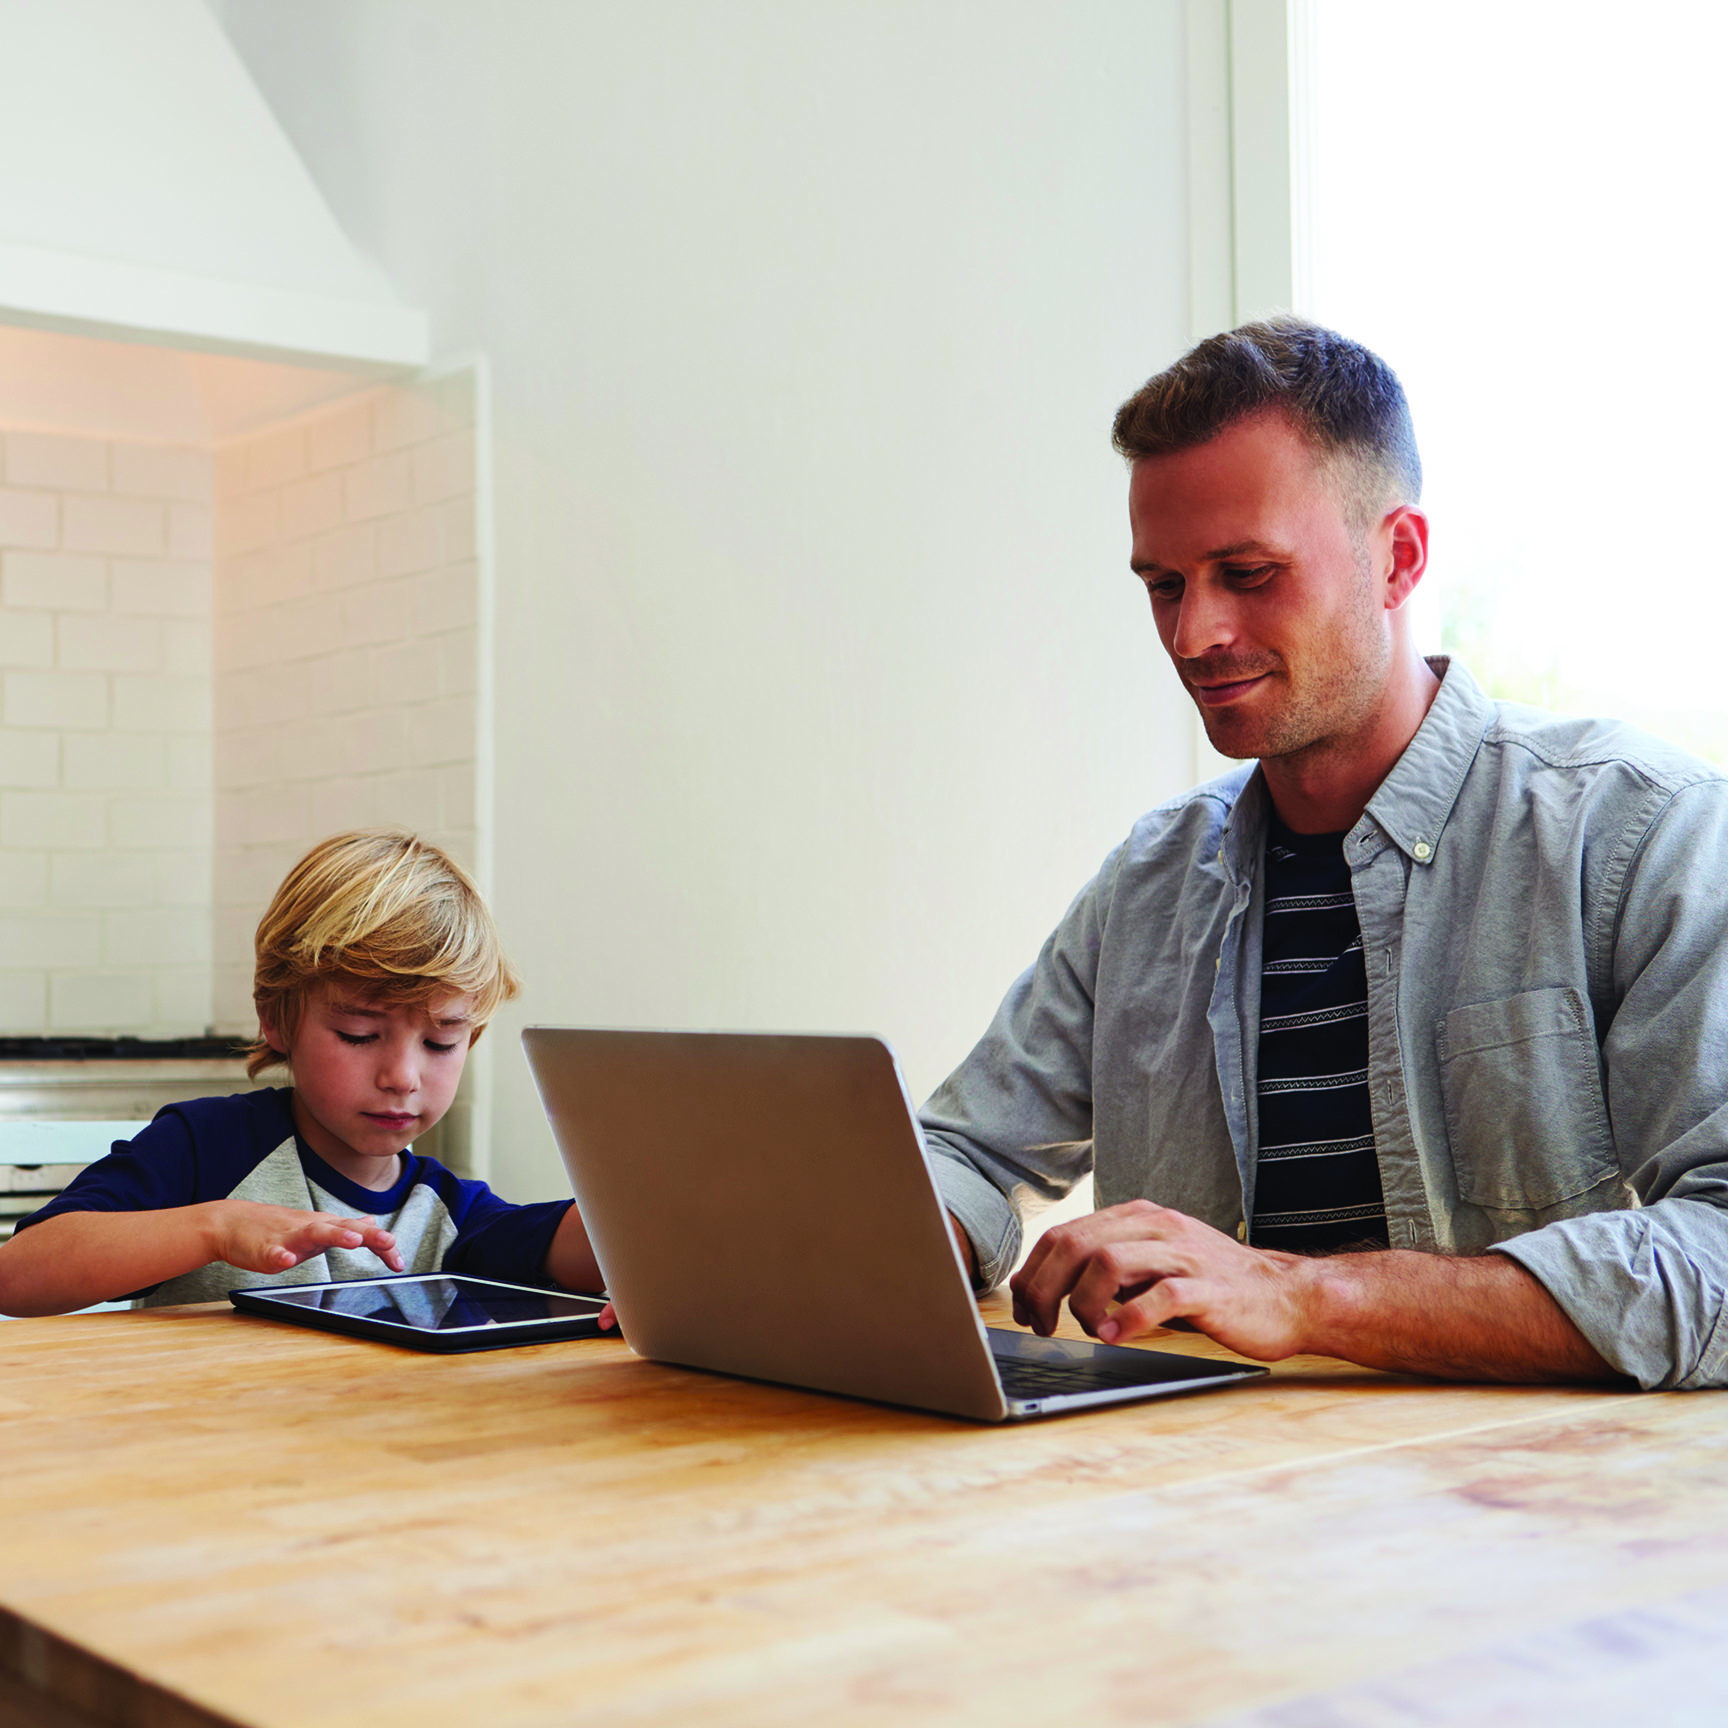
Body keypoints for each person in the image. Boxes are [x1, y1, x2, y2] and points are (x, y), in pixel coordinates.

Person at [924, 316, 1728, 1392]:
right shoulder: (1150, 884)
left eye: (1248, 573)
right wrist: (797, 1236)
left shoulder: (1641, 833)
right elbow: (969, 1153)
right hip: (1198, 1515)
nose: (1192, 635)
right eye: (1163, 584)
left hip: (1526, 1526)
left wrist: (1303, 1295)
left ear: (1397, 558)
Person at [0, 829, 605, 1317]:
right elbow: (19, 1275)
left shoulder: (455, 1213)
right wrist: (215, 1226)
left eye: (442, 1042)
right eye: (359, 1035)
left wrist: (646, 1290)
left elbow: (599, 1246)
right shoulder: (206, 1147)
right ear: (277, 1020)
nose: (402, 1075)